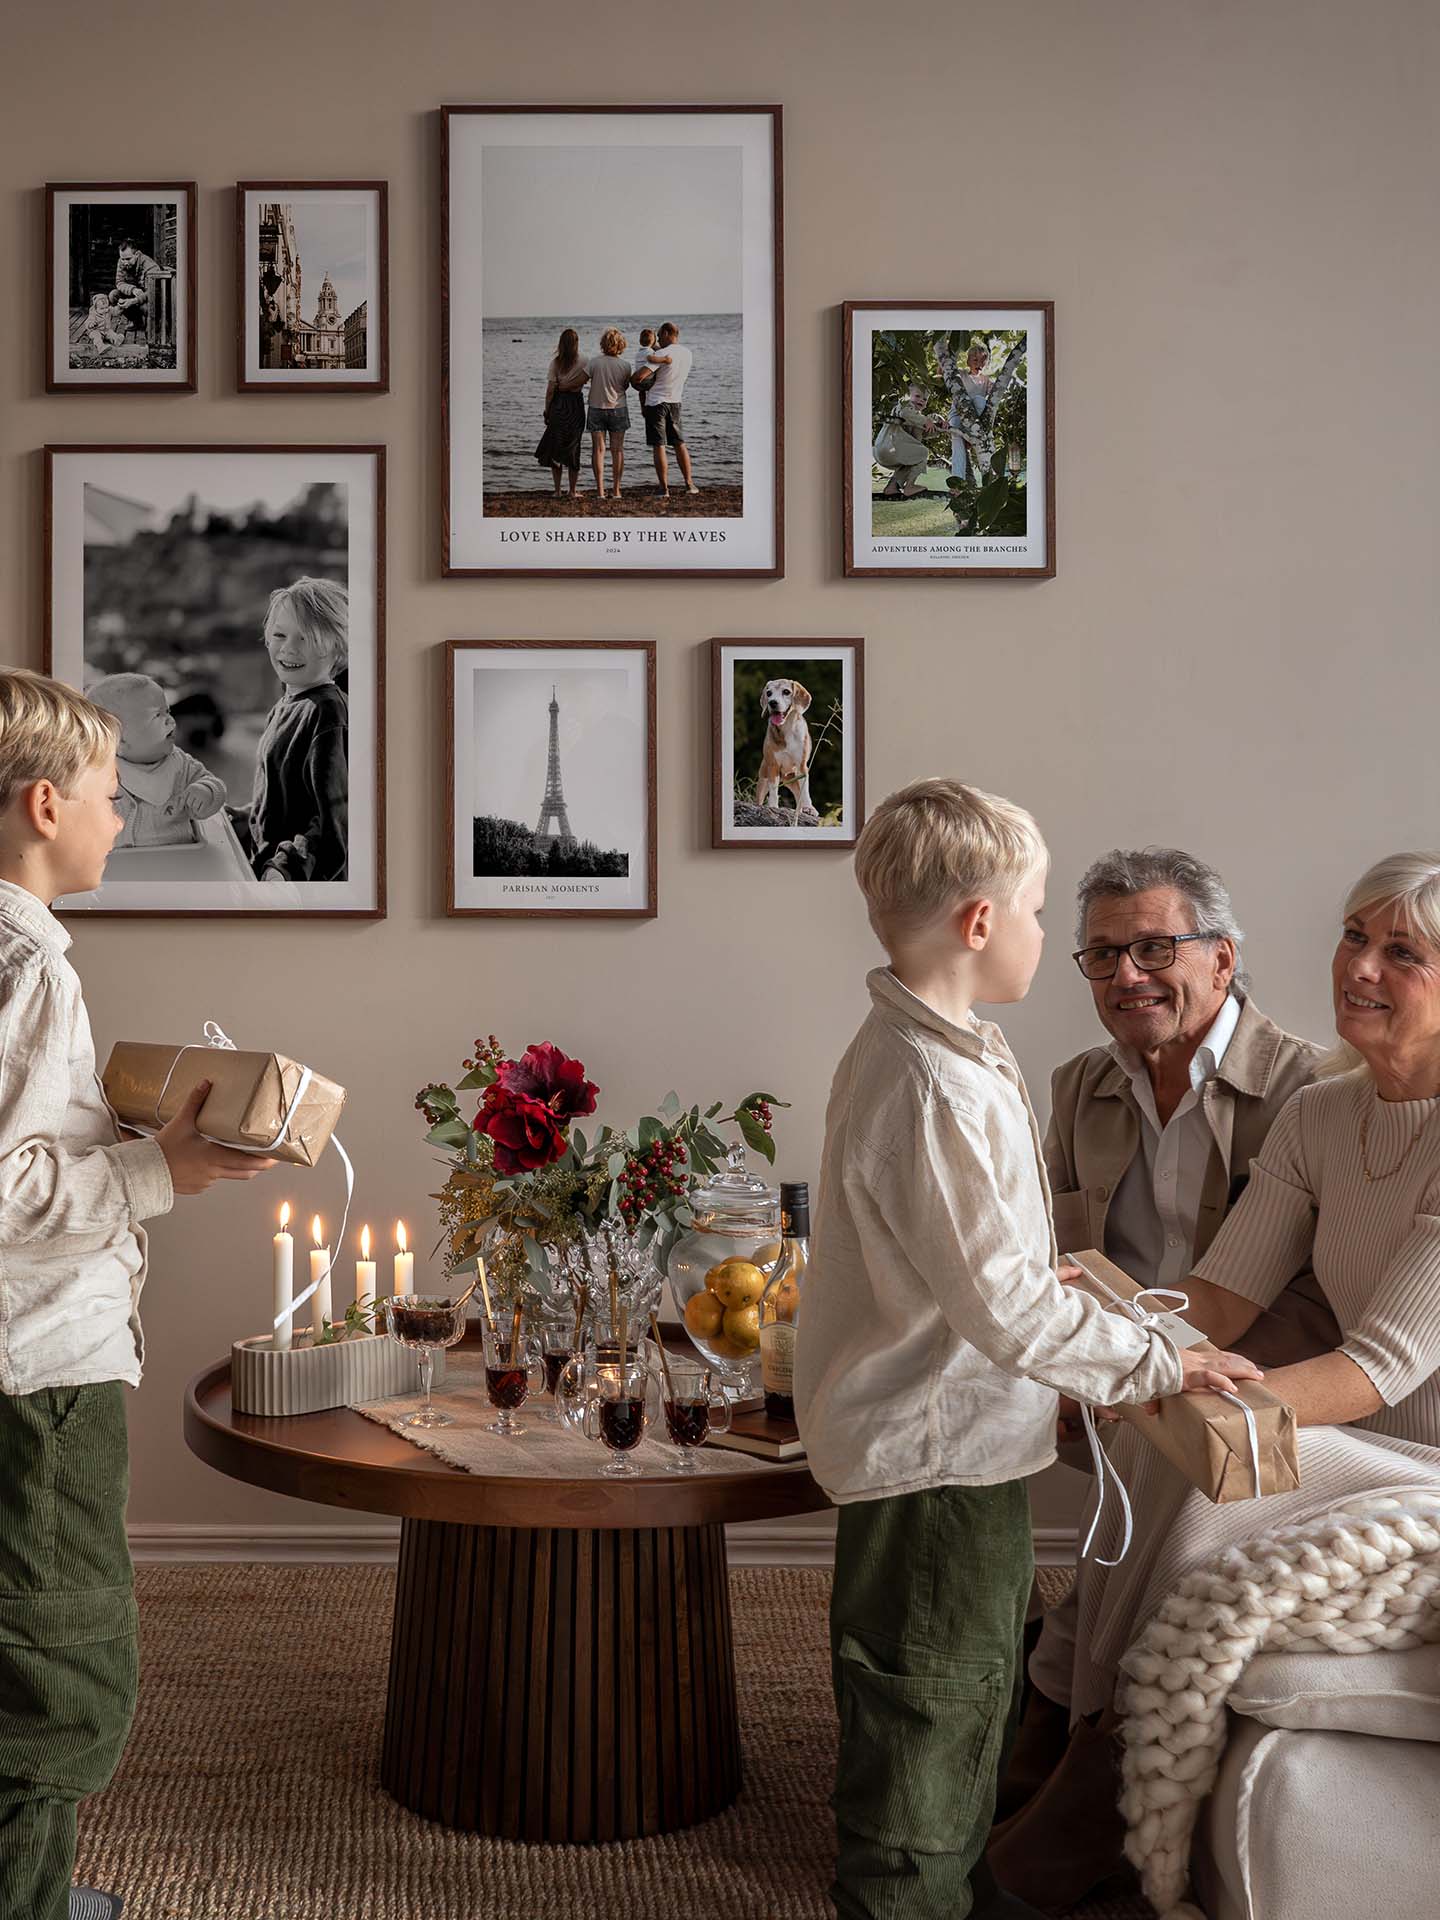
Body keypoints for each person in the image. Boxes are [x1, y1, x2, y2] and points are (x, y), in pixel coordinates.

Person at [793, 777, 1262, 1920]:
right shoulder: (933, 1081)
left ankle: (948, 1865)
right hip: (934, 1461)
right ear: (982, 921)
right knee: (929, 1704)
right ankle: (905, 1892)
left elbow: (973, 1251)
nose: (1058, 941)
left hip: (966, 1449)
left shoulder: (945, 1050)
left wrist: (1036, 1268)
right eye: (1047, 913)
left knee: (971, 1691)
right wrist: (1164, 1361)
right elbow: (1001, 1306)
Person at [991, 850, 1440, 1914]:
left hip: (1419, 1451)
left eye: (1404, 952)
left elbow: (1380, 1365)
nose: (1360, 967)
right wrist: (1105, 1351)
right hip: (1363, 1434)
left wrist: (1185, 1398)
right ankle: (1079, 1737)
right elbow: (1222, 1297)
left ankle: (1089, 1792)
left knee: (1205, 1477)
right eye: (1353, 935)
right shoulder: (1325, 1113)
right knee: (1161, 1452)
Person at [0, 668, 277, 1920]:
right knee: (58, 1667)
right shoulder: (28, 972)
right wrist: (158, 1166)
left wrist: (114, 1127)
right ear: (46, 805)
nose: (126, 818)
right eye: (112, 797)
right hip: (39, 1378)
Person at [230, 577, 348, 884]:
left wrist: (288, 867)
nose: (288, 649)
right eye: (279, 635)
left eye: (306, 638)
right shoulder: (287, 703)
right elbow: (285, 800)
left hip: (300, 886)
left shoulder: (327, 712)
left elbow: (334, 817)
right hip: (269, 870)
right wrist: (243, 818)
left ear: (339, 646)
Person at [85, 672, 226, 848]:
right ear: (118, 740)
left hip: (177, 862)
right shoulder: (96, 773)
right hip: (119, 867)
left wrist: (206, 791)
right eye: (156, 716)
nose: (171, 721)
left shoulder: (180, 764)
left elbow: (213, 783)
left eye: (167, 712)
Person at [937, 333, 1027, 487]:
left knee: (979, 399)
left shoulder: (986, 380)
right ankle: (957, 483)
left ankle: (971, 434)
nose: (979, 363)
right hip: (957, 414)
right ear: (968, 361)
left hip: (974, 420)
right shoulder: (961, 375)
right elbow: (941, 371)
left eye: (983, 361)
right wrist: (949, 351)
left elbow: (997, 393)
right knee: (956, 441)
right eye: (975, 360)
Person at [639, 321, 696, 496]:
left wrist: (634, 381)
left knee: (659, 446)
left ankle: (664, 489)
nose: (657, 340)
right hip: (676, 401)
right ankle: (690, 485)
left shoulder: (663, 353)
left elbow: (640, 376)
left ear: (664, 333)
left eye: (658, 335)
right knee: (680, 444)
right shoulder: (687, 353)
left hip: (656, 403)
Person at [534, 326, 589, 500]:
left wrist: (547, 411)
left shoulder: (555, 362)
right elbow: (586, 379)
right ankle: (572, 491)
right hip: (575, 405)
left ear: (561, 344)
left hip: (558, 404)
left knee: (557, 446)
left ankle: (557, 491)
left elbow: (550, 390)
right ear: (576, 343)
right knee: (574, 446)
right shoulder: (585, 360)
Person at [583, 327, 633, 500]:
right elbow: (625, 386)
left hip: (596, 408)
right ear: (621, 345)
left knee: (598, 450)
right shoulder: (625, 365)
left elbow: (582, 380)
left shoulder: (594, 362)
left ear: (603, 344)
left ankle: (600, 492)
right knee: (617, 450)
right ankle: (617, 491)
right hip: (618, 408)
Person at [873, 383, 943, 498]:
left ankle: (892, 487)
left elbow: (926, 432)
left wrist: (939, 426)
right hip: (888, 448)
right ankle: (909, 486)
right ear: (907, 396)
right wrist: (926, 420)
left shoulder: (917, 417)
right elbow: (906, 414)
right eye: (917, 396)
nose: (921, 400)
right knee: (923, 452)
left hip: (888, 451)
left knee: (912, 457)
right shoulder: (903, 406)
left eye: (925, 399)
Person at [111, 241, 159, 333]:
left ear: (137, 254)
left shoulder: (149, 265)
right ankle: (136, 321)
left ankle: (155, 322)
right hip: (135, 295)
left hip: (150, 298)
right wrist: (132, 290)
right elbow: (119, 282)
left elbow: (154, 291)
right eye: (122, 259)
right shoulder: (122, 262)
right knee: (113, 295)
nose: (124, 263)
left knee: (144, 307)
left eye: (128, 259)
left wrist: (134, 301)